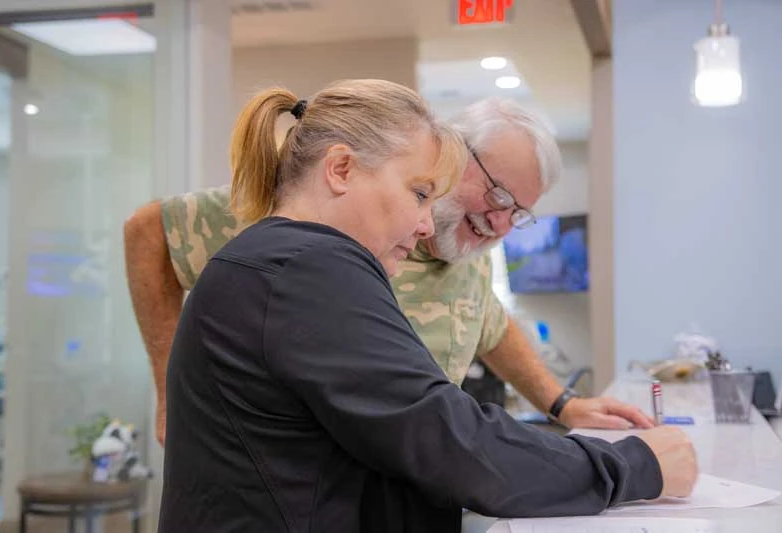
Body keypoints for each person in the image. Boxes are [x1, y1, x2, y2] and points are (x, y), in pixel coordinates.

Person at [158, 79, 697, 533]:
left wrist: (561, 406)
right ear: (340, 169)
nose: (423, 224)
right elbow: (452, 443)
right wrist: (637, 464)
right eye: (419, 193)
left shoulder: (280, 259)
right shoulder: (309, 268)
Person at [125, 97, 654, 448]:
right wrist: (170, 390)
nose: (498, 224)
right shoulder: (320, 222)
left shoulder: (468, 243)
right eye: (496, 197)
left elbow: (490, 325)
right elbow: (149, 233)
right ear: (451, 154)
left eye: (517, 213)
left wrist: (562, 403)